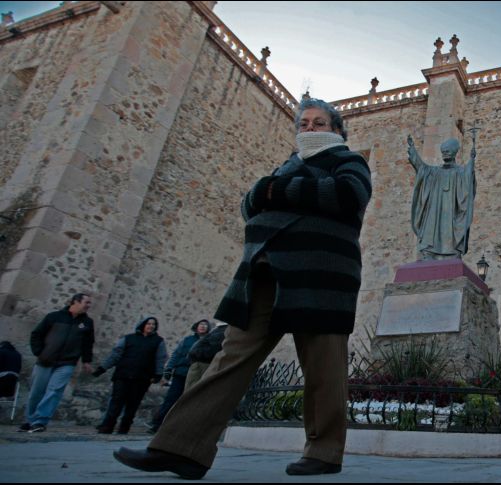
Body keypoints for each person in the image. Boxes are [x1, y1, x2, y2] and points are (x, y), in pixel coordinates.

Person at [114, 97, 372, 479]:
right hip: (264, 271)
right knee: (228, 360)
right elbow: (250, 204)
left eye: (319, 123)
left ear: (337, 131)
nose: (310, 129)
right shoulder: (286, 165)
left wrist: (276, 191)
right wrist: (274, 190)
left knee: (323, 367)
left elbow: (348, 196)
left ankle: (323, 452)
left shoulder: (349, 161)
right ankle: (180, 447)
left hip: (321, 276)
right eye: (304, 123)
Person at [18, 293, 95, 433]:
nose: (89, 305)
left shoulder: (87, 323)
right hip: (45, 360)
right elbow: (37, 334)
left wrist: (87, 360)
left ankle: (40, 421)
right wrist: (39, 352)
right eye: (87, 302)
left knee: (54, 391)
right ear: (75, 302)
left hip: (67, 363)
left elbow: (88, 343)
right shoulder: (54, 317)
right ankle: (29, 421)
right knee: (37, 391)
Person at [92, 316, 168, 434]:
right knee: (116, 401)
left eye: (153, 324)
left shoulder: (158, 341)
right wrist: (103, 368)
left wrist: (158, 373)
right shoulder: (128, 338)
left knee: (133, 403)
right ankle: (107, 426)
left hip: (142, 377)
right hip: (123, 374)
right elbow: (115, 355)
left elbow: (160, 358)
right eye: (148, 323)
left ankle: (124, 427)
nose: (151, 326)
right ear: (142, 325)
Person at [406, 134, 476, 260]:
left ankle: (452, 251)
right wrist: (413, 150)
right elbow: (421, 167)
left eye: (448, 151)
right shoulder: (433, 172)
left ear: (454, 153)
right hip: (434, 212)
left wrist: (471, 162)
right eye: (443, 152)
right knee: (430, 228)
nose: (445, 154)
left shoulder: (460, 172)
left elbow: (467, 182)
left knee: (450, 230)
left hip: (451, 213)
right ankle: (430, 252)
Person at [146, 319, 211, 433]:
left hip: (198, 376)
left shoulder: (209, 342)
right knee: (171, 399)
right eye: (201, 324)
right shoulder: (187, 340)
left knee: (189, 402)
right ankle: (157, 425)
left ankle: (179, 427)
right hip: (181, 373)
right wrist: (168, 369)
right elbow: (176, 354)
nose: (203, 327)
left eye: (205, 325)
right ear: (196, 327)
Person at [184, 321, 227, 391]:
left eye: (205, 325)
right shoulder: (220, 330)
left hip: (201, 364)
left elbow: (214, 348)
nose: (202, 326)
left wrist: (196, 354)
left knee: (192, 391)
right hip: (198, 364)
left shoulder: (222, 330)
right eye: (201, 324)